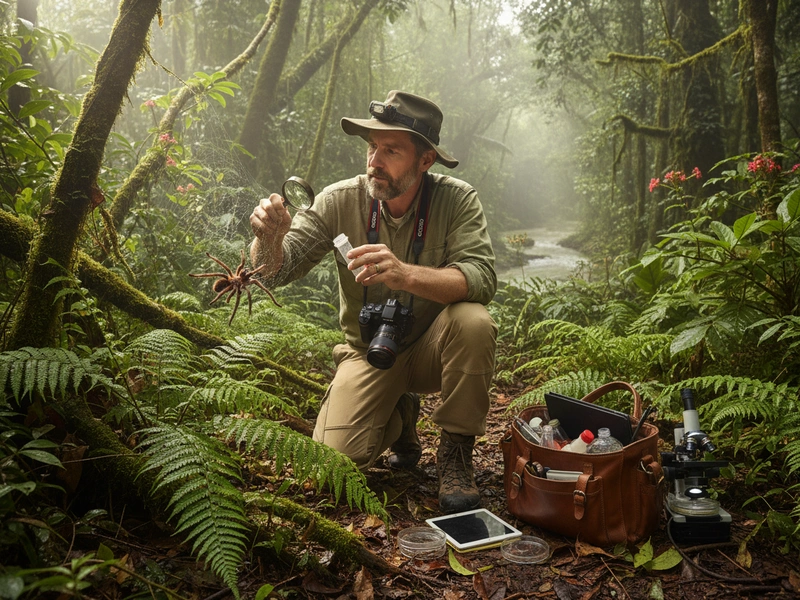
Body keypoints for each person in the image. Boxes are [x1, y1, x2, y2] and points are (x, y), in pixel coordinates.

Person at [249, 90, 497, 514]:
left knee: (474, 321)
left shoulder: (456, 200)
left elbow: (481, 277)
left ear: (425, 160)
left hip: (433, 349)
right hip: (369, 353)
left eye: (391, 150)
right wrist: (268, 238)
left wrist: (406, 274)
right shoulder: (340, 200)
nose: (374, 161)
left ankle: (456, 451)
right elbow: (275, 270)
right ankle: (399, 414)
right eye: (372, 147)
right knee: (333, 470)